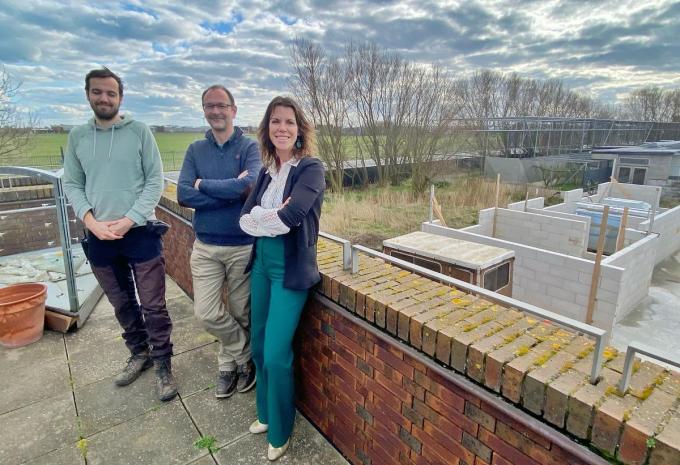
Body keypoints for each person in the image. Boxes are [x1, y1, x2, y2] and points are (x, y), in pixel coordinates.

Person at [63, 67, 178, 401]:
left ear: (120, 98)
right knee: (121, 302)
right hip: (99, 235)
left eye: (111, 93)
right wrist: (90, 220)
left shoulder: (139, 132)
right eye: (98, 92)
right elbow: (72, 182)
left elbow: (155, 180)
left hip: (140, 231)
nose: (104, 98)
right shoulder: (78, 137)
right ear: (88, 95)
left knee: (154, 304)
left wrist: (129, 219)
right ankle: (138, 353)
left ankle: (163, 364)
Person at [239, 96, 325, 461]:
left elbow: (292, 217)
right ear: (267, 128)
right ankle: (264, 414)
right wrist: (265, 214)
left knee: (275, 354)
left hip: (291, 271)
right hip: (262, 264)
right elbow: (244, 219)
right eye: (276, 121)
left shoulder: (311, 169)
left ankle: (281, 428)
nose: (282, 128)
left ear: (300, 129)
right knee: (257, 344)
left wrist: (265, 216)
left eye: (289, 122)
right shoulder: (266, 171)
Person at [177, 85, 261, 398]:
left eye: (221, 105)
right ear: (204, 110)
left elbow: (250, 187)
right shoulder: (195, 150)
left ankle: (228, 366)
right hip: (206, 246)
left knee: (240, 312)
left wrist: (204, 186)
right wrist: (230, 192)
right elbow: (184, 194)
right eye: (209, 106)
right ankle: (245, 355)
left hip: (242, 245)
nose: (216, 111)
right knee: (207, 313)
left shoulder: (250, 147)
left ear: (233, 109)